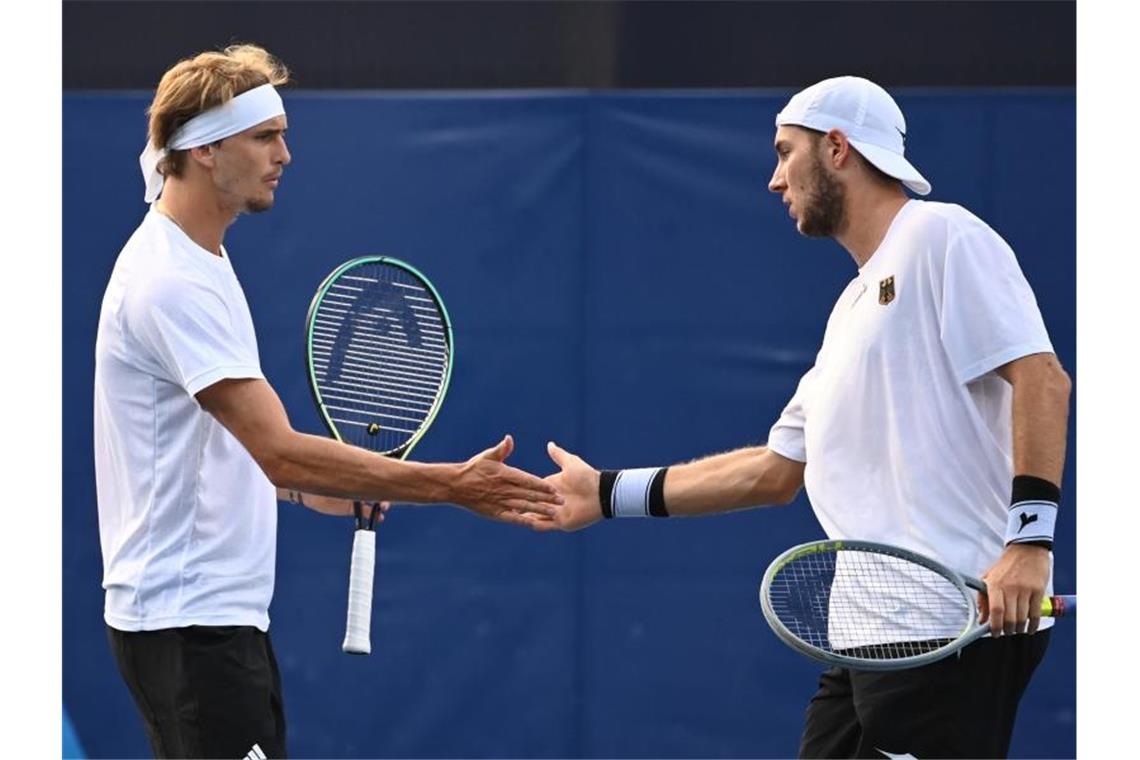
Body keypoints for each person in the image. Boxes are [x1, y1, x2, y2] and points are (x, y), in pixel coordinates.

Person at [530, 76, 1071, 758]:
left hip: (949, 627)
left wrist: (1028, 544)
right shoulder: (848, 314)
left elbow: (1042, 380)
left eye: (786, 153)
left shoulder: (943, 237)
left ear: (838, 149)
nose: (775, 180)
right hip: (865, 644)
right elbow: (773, 471)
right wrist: (607, 494)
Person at [93, 44, 561, 759]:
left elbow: (234, 455)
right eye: (265, 136)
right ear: (207, 151)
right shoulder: (172, 282)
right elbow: (277, 447)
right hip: (192, 628)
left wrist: (323, 495)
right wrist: (451, 486)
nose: (285, 154)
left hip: (203, 621)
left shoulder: (200, 259)